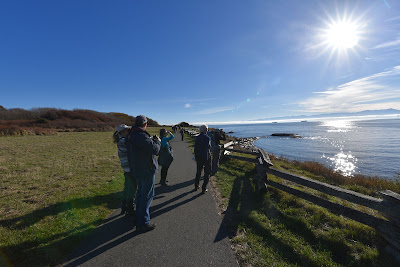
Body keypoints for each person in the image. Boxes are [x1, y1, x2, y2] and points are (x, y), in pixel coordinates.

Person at [126, 115, 161, 232]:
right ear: (145, 124)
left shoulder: (131, 134)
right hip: (146, 169)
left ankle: (139, 218)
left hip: (136, 169)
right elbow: (155, 150)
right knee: (146, 196)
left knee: (140, 194)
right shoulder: (140, 136)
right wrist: (157, 142)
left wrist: (151, 141)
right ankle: (144, 223)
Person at [113, 124, 136, 216]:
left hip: (126, 168)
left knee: (127, 188)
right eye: (127, 130)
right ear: (122, 132)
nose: (129, 131)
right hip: (129, 168)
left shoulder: (121, 140)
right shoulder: (123, 141)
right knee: (132, 189)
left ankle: (124, 207)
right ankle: (130, 209)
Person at [194, 124, 211, 194]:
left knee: (198, 172)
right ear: (204, 130)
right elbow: (209, 147)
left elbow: (195, 148)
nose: (207, 130)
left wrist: (196, 156)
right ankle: (204, 188)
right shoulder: (207, 138)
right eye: (206, 129)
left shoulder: (197, 137)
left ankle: (196, 185)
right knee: (207, 173)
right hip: (206, 157)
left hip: (199, 157)